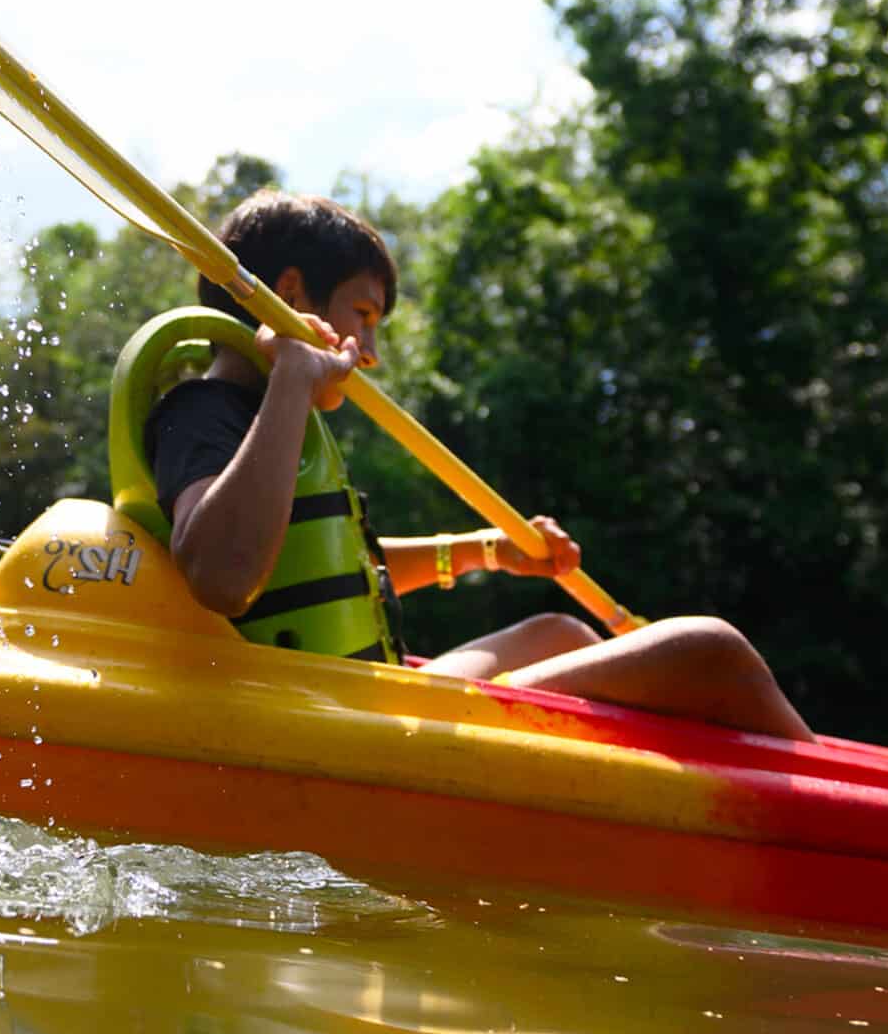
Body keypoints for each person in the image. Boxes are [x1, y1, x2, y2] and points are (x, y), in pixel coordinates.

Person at [146, 190, 812, 741]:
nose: (371, 350)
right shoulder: (202, 413)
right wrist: (293, 380)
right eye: (364, 313)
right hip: (334, 721)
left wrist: (484, 551)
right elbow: (223, 576)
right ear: (289, 291)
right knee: (707, 648)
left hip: (362, 695)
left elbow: (340, 575)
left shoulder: (274, 418)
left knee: (560, 632)